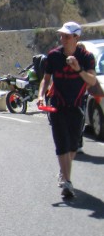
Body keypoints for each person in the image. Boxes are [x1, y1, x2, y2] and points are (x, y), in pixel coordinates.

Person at [37, 21, 95, 200]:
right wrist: (40, 96)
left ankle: (64, 170)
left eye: (67, 36)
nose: (63, 39)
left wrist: (78, 69)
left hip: (77, 106)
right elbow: (46, 79)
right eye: (61, 35)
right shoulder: (53, 56)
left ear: (76, 38)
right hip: (57, 105)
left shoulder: (86, 56)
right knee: (61, 143)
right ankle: (67, 182)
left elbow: (92, 81)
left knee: (73, 146)